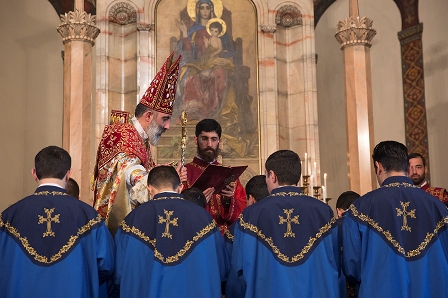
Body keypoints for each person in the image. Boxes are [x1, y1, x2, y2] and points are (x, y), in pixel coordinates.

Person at [0, 146, 114, 298]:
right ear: (68, 174)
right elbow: (106, 265)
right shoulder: (89, 216)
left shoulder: (8, 217)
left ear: (34, 174)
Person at [92, 51, 184, 235]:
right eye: (165, 119)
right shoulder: (122, 133)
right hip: (116, 231)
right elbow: (128, 170)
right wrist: (164, 182)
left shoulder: (141, 138)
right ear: (148, 116)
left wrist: (172, 171)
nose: (167, 126)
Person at [225, 150, 339, 297]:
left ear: (272, 175)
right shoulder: (324, 212)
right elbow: (335, 265)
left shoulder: (250, 215)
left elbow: (238, 272)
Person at [342, 141, 448, 297]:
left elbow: (352, 267)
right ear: (406, 166)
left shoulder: (360, 208)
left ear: (378, 166)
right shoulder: (438, 207)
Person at [113, 166, 228, 297]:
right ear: (180, 188)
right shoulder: (203, 217)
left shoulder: (133, 219)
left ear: (149, 188)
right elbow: (221, 267)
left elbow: (119, 271)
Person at [182, 119, 247, 234]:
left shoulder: (230, 174)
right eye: (204, 138)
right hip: (194, 236)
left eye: (214, 139)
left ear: (219, 141)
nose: (209, 145)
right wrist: (197, 203)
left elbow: (243, 210)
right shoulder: (184, 173)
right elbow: (177, 209)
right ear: (195, 140)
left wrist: (228, 201)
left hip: (223, 239)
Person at [336, 191, 360, 298]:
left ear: (338, 211)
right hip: (362, 282)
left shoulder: (332, 227)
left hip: (340, 282)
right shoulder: (365, 226)